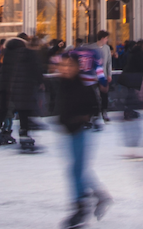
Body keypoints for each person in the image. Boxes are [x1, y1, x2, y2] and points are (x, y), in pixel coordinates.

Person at [57, 52, 112, 229]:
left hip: (80, 131)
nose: (65, 69)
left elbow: (93, 106)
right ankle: (99, 196)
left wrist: (81, 118)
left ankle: (80, 208)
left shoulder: (82, 86)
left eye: (69, 66)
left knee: (77, 170)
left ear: (77, 68)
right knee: (76, 169)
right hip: (68, 131)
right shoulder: (62, 84)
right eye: (63, 65)